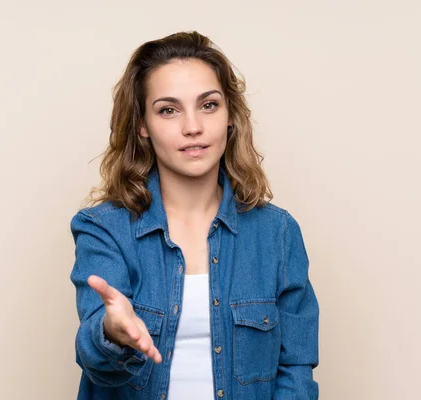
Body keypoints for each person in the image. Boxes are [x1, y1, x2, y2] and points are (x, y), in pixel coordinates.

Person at [70, 31, 319, 400]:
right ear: (143, 125)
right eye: (168, 110)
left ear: (230, 115)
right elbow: (95, 361)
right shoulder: (104, 229)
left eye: (208, 105)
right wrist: (111, 333)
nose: (193, 127)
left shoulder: (277, 233)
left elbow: (295, 371)